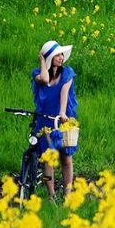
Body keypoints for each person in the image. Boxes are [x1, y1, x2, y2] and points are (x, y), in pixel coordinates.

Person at [31, 40, 78, 201]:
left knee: (66, 158)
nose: (61, 57)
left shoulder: (67, 73)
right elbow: (44, 79)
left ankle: (67, 194)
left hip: (62, 119)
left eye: (61, 54)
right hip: (45, 120)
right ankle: (51, 195)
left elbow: (64, 93)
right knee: (47, 160)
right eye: (57, 55)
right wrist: (42, 61)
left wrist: (63, 113)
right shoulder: (38, 74)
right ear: (49, 58)